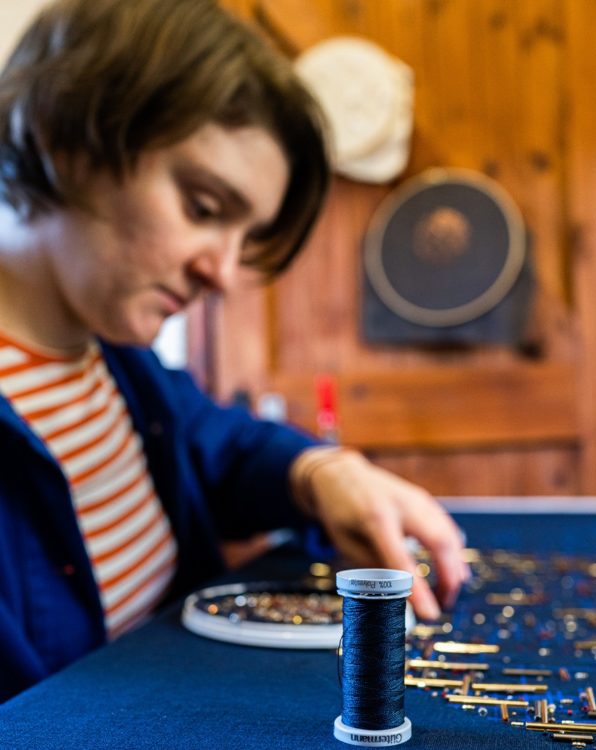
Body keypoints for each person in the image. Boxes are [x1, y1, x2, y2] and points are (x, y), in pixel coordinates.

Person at [0, 0, 467, 703]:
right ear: (60, 137)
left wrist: (321, 473)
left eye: (245, 238)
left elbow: (217, 444)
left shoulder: (118, 361)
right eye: (204, 207)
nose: (222, 273)